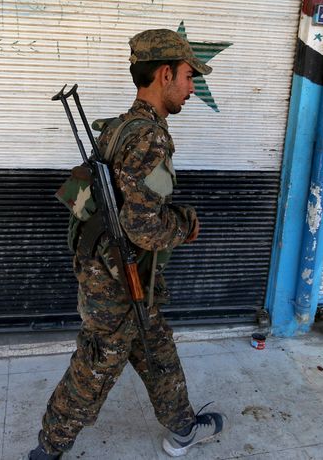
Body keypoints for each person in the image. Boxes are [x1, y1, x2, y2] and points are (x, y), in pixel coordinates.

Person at [27, 29, 227, 459]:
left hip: (121, 269)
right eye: (191, 76)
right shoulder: (148, 138)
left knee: (156, 348)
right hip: (117, 278)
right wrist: (186, 224)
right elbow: (143, 226)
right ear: (166, 73)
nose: (193, 88)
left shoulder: (119, 128)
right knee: (97, 363)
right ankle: (48, 449)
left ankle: (182, 429)